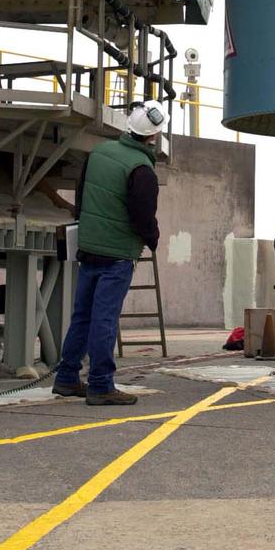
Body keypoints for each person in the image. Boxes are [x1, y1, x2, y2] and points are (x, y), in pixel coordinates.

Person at [52, 100, 165, 406]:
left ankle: (66, 377)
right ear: (153, 135)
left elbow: (81, 197)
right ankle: (101, 384)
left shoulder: (98, 153)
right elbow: (143, 216)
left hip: (88, 247)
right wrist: (153, 239)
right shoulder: (142, 169)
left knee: (82, 316)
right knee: (104, 319)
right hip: (117, 255)